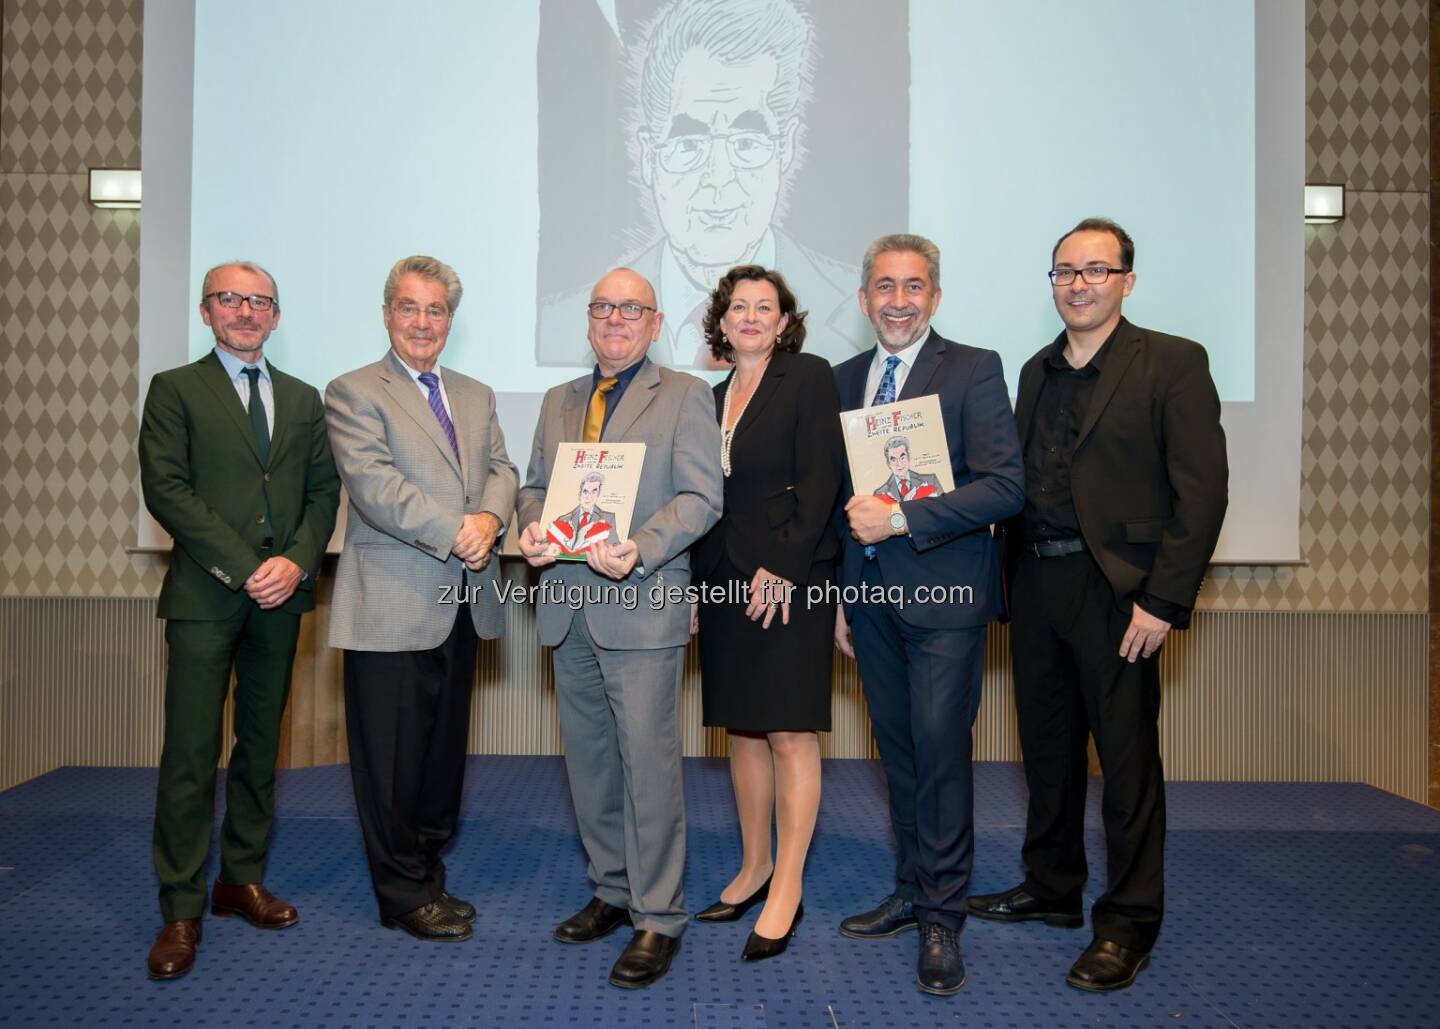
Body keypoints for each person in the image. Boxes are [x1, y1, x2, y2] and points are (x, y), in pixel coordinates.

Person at [967, 218, 1228, 992]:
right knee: (1046, 752)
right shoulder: (1034, 371)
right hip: (1037, 585)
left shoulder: (1173, 363)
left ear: (1127, 280)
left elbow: (1202, 492)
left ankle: (1128, 922)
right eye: (1064, 272)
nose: (1078, 284)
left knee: (1125, 764)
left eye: (1095, 270)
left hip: (1120, 594)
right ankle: (1051, 888)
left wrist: (1164, 599)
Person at [517, 267, 722, 989]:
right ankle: (610, 890)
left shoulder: (688, 396)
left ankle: (658, 914)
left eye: (630, 309)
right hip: (566, 598)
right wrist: (531, 527)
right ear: (589, 319)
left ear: (655, 322)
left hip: (640, 599)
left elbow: (703, 496)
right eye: (602, 306)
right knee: (590, 762)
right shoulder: (557, 400)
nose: (614, 319)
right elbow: (534, 484)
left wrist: (645, 543)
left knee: (649, 764)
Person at [832, 234, 1024, 996]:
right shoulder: (846, 378)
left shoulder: (974, 368)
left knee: (941, 752)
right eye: (885, 285)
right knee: (900, 751)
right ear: (864, 298)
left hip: (946, 595)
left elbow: (1005, 486)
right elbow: (837, 503)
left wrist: (906, 518)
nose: (899, 300)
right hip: (871, 598)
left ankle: (943, 915)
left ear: (935, 297)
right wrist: (845, 600)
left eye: (914, 287)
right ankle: (914, 889)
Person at [139, 261, 341, 979]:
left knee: (259, 748)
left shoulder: (302, 397)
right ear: (206, 311)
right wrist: (244, 564)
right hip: (206, 596)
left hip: (281, 599)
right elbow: (166, 488)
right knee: (191, 756)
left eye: (260, 302)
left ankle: (239, 879)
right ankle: (180, 908)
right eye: (231, 299)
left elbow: (323, 492)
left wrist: (294, 561)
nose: (246, 311)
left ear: (277, 317)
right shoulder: (174, 390)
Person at [324, 255, 518, 943]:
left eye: (436, 310)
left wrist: (492, 521)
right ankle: (401, 892)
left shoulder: (475, 392)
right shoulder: (353, 390)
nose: (422, 321)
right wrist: (459, 531)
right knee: (392, 759)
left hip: (462, 598)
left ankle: (427, 873)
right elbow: (375, 487)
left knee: (440, 757)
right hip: (392, 602)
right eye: (409, 307)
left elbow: (501, 467)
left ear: (450, 320)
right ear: (387, 313)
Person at [535, 0, 870, 368]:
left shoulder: (854, 306)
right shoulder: (558, 323)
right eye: (689, 145)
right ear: (649, 155)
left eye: (746, 143)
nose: (718, 178)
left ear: (785, 148)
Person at [689, 265, 844, 961]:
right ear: (721, 322)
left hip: (790, 578)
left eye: (765, 306)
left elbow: (822, 478)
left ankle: (787, 885)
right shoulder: (709, 396)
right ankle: (752, 867)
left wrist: (782, 567)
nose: (751, 315)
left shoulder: (807, 377)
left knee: (789, 730)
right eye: (738, 306)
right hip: (724, 583)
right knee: (742, 730)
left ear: (784, 321)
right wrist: (698, 590)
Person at [547, 472, 621, 555]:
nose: (588, 497)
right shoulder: (563, 519)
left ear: (598, 495)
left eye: (593, 491)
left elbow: (615, 545)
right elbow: (547, 545)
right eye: (585, 491)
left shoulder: (608, 518)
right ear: (579, 494)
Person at [871, 436, 942, 502]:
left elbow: (944, 508)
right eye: (894, 460)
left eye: (902, 458)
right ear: (888, 464)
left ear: (908, 458)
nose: (899, 464)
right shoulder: (879, 494)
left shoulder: (931, 481)